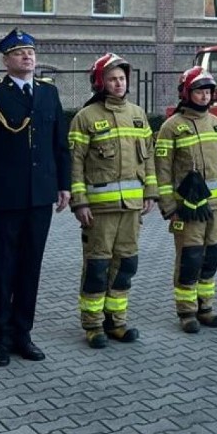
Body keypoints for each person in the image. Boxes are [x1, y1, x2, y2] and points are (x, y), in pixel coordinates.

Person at [0, 29, 71, 367]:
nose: (27, 57)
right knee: (4, 267)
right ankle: (1, 337)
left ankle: (23, 334)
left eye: (31, 52)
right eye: (20, 53)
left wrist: (65, 186)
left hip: (40, 197)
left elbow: (60, 146)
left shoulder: (49, 93)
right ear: (5, 60)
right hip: (5, 197)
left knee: (30, 267)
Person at [68, 53, 157, 348]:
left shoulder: (138, 113)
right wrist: (79, 202)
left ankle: (116, 322)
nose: (119, 84)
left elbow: (150, 160)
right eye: (112, 79)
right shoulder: (85, 118)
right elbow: (75, 163)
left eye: (122, 78)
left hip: (132, 209)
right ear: (100, 82)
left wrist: (150, 193)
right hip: (99, 210)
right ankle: (93, 326)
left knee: (126, 265)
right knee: (97, 266)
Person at [154, 67, 217, 333]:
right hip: (187, 209)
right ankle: (187, 312)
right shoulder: (171, 127)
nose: (204, 96)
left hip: (215, 206)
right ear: (187, 93)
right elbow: (162, 171)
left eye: (208, 91)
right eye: (199, 91)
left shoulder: (216, 123)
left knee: (213, 255)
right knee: (190, 258)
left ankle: (206, 307)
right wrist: (169, 208)